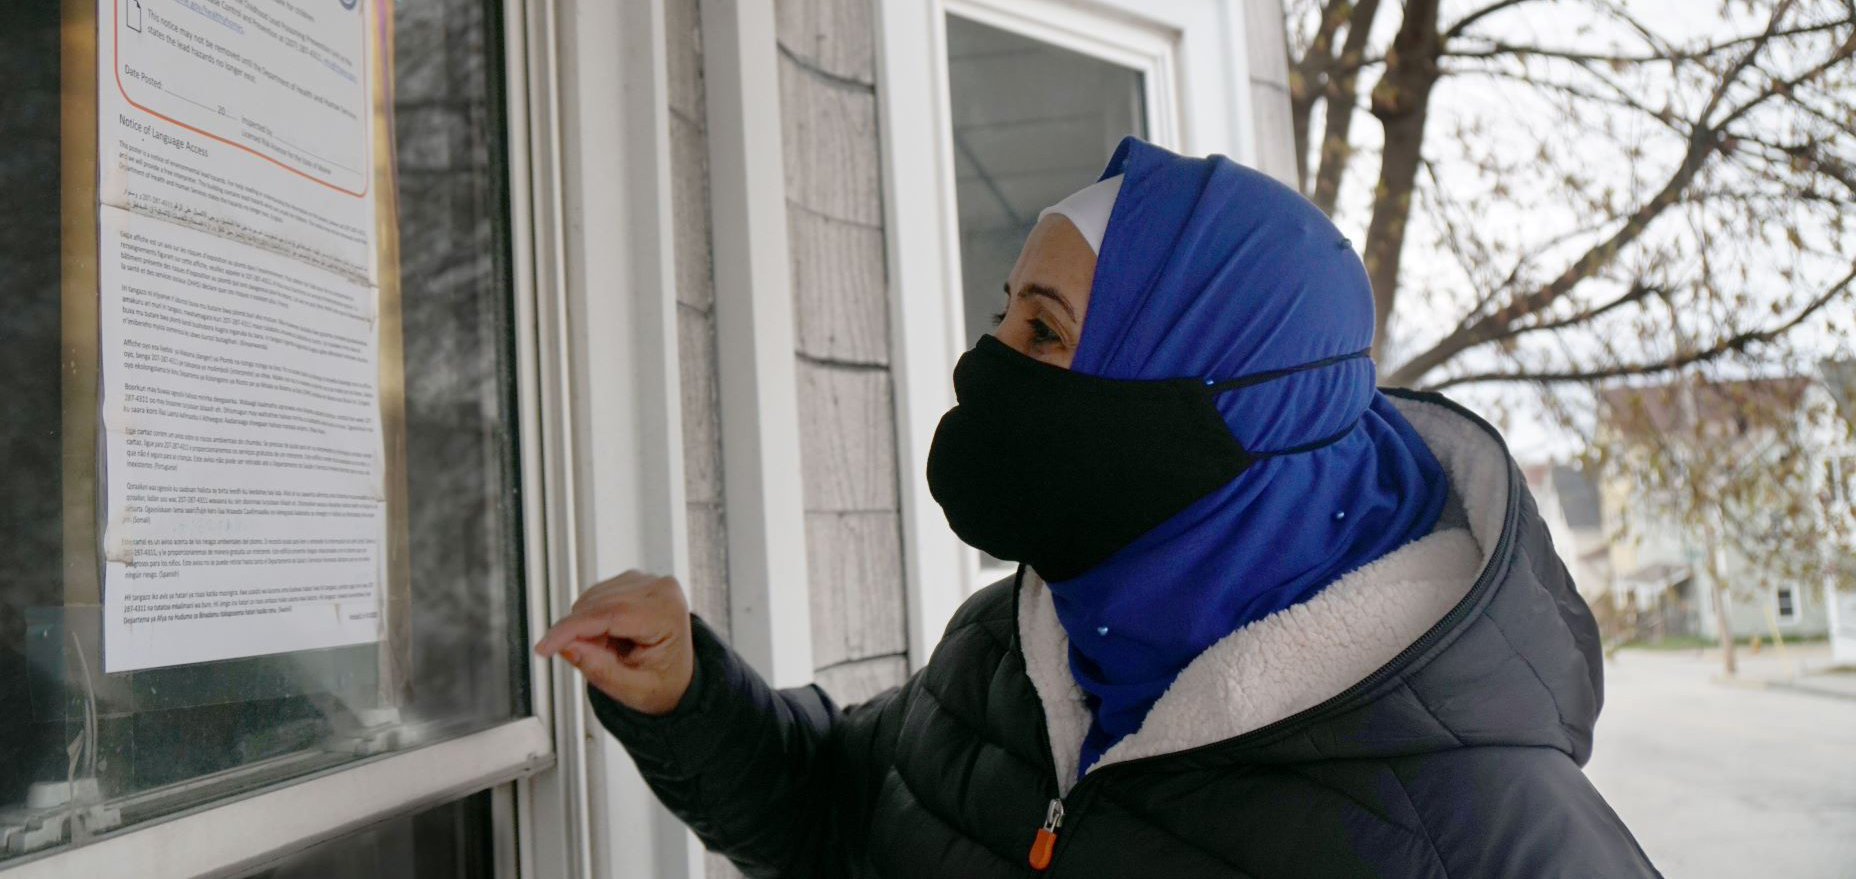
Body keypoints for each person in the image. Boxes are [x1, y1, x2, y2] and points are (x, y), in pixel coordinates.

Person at [536, 137, 1661, 877]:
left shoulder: (1485, 831)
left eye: (1043, 331)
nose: (988, 365)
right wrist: (689, 695)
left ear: (1208, 393)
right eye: (1003, 319)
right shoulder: (1019, 647)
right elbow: (849, 817)